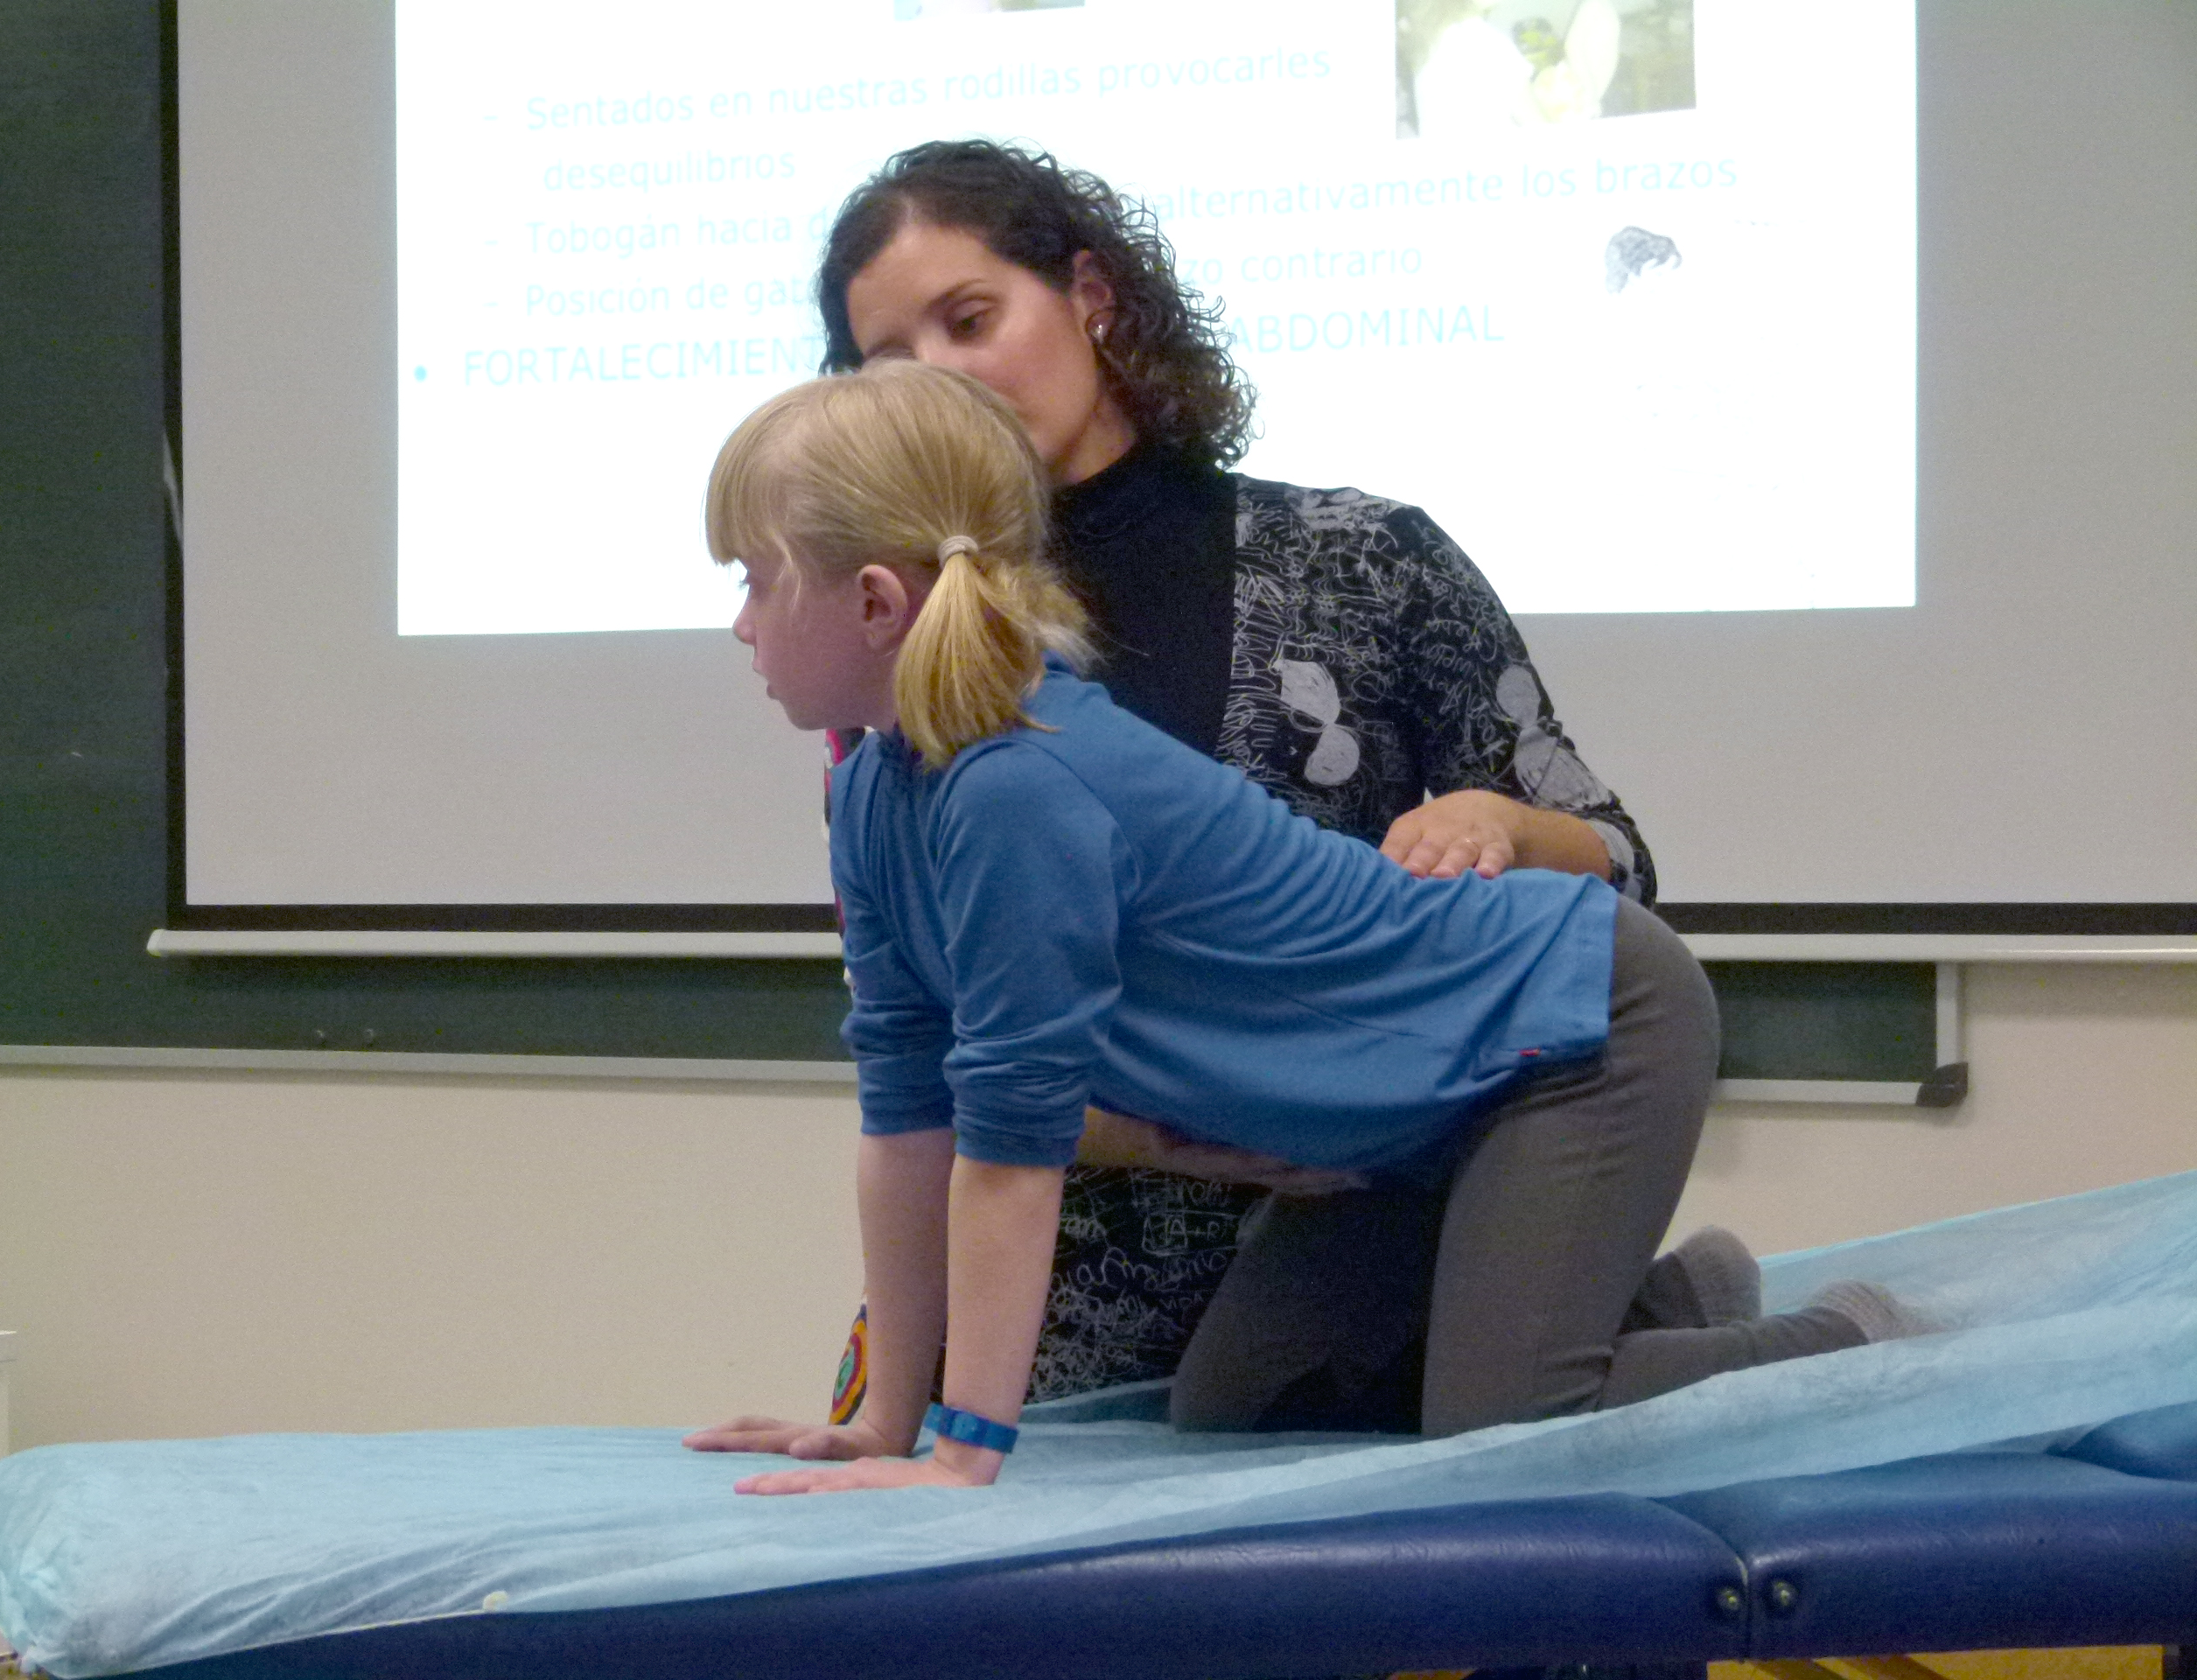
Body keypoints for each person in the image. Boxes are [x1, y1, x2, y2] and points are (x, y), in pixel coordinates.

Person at [682, 360, 1914, 1493]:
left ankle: (1846, 1341)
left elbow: (1012, 1147)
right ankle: (1670, 1301)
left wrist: (964, 1455)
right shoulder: (874, 789)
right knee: (1242, 1402)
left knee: (1507, 1423)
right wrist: (882, 1425)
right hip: (1406, 1106)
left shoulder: (1018, 786)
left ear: (876, 602)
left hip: (1574, 1020)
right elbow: (912, 1115)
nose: (740, 623)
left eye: (753, 581)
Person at [802, 139, 1757, 1427]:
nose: (947, 376)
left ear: (1092, 296)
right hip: (1055, 1283)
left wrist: (1501, 821)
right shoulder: (898, 653)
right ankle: (1650, 1314)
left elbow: (1620, 868)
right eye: (893, 360)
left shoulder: (1364, 559)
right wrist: (1193, 1135)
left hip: (1388, 1185)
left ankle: (1646, 1331)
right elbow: (928, 1038)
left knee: (1484, 1441)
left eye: (971, 320)